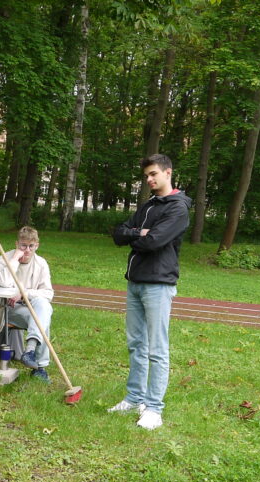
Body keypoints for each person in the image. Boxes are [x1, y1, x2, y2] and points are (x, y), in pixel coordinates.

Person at [109, 153, 192, 430]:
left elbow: (154, 241)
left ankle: (154, 409)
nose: (150, 180)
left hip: (158, 285)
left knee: (157, 349)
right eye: (146, 176)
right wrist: (138, 233)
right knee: (136, 345)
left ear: (168, 172)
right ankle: (134, 397)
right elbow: (118, 234)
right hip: (134, 282)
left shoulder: (178, 208)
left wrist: (140, 234)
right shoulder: (148, 206)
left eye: (154, 174)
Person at [0, 226, 55, 383]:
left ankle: (29, 350)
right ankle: (40, 368)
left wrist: (24, 293)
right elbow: (4, 282)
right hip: (7, 309)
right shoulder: (3, 259)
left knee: (44, 308)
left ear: (37, 246)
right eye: (23, 246)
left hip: (32, 309)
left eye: (31, 246)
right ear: (17, 244)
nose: (27, 250)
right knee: (43, 317)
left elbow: (48, 293)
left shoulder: (41, 264)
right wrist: (14, 260)